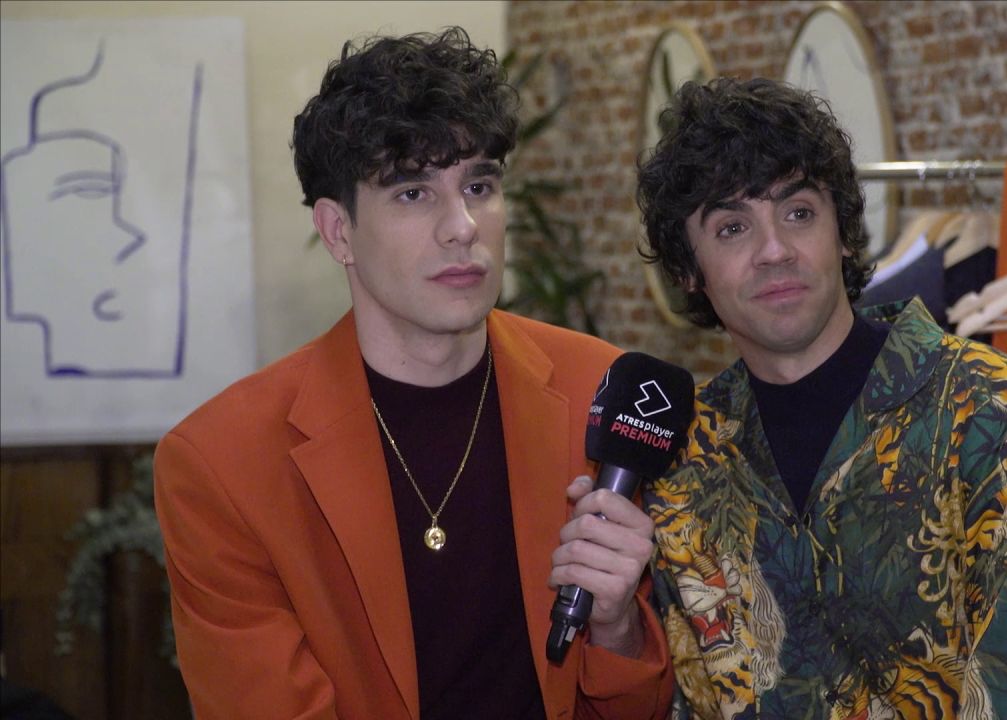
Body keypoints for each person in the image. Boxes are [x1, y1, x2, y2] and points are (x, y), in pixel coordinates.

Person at [154, 29, 672, 719]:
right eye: (412, 193)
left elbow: (642, 705)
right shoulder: (222, 463)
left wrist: (615, 626)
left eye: (479, 185)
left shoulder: (600, 393)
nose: (463, 226)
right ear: (338, 232)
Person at [635, 77, 1007, 719]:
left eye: (799, 213)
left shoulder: (985, 414)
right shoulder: (685, 457)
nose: (775, 251)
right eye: (732, 227)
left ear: (843, 232)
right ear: (688, 269)